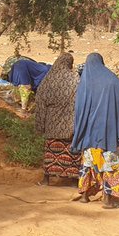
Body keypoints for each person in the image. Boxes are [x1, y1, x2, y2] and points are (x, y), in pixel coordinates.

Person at [69, 53, 119, 209]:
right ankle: (107, 199)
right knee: (110, 165)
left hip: (89, 135)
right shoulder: (113, 80)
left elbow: (79, 110)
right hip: (110, 134)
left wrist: (79, 131)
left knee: (88, 164)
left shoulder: (85, 82)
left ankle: (84, 196)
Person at [34, 53, 80, 185]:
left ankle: (46, 180)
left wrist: (39, 126)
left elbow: (41, 103)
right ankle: (73, 181)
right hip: (71, 124)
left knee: (51, 152)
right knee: (72, 152)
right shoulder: (76, 78)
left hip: (52, 125)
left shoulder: (49, 79)